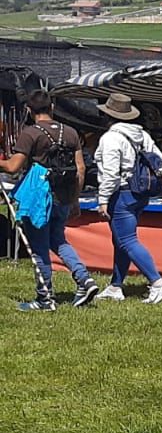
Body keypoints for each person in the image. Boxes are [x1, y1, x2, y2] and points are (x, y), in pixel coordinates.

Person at [1, 90, 99, 310]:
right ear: (52, 107)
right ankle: (85, 279)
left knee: (39, 247)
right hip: (63, 196)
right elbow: (80, 169)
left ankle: (45, 298)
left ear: (29, 110)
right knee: (59, 240)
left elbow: (13, 166)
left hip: (39, 198)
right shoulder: (71, 132)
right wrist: (74, 200)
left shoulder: (31, 134)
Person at [93, 92, 162, 305]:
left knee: (127, 240)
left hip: (120, 194)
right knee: (120, 240)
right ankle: (115, 285)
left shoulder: (110, 138)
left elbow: (110, 174)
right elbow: (161, 161)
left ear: (108, 116)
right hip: (139, 194)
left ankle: (157, 283)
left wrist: (102, 200)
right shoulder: (142, 135)